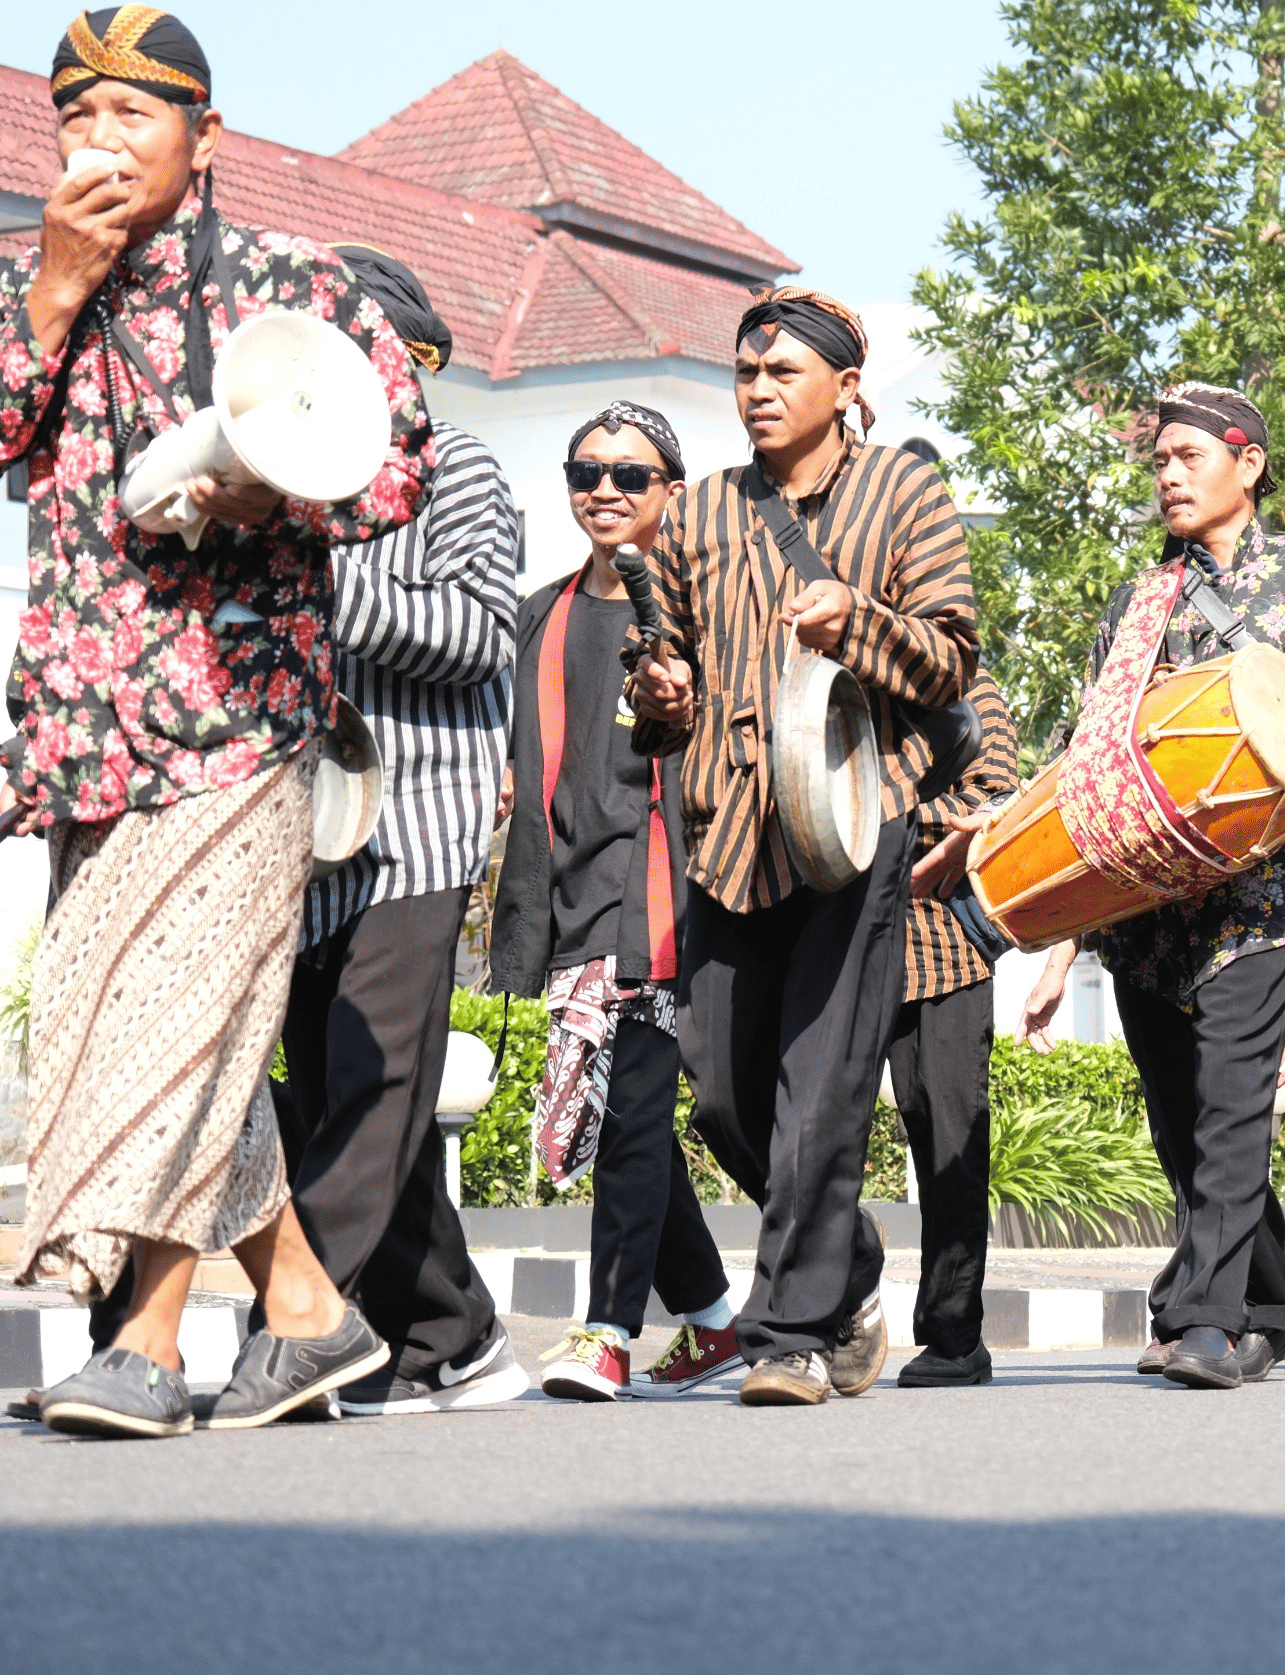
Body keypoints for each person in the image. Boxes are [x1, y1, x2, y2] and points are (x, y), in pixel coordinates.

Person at [2, 7, 432, 1437]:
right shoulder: (34, 282)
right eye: (79, 119)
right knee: (160, 1015)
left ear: (206, 135)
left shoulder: (286, 285)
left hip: (241, 720)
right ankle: (307, 1315)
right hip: (87, 729)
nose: (101, 145)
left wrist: (277, 490)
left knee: (168, 1018)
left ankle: (154, 1343)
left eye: (134, 116)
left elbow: (394, 469)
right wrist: (55, 287)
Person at [1021, 381, 1285, 1391]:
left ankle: (1200, 1315)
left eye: (1188, 455)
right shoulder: (1135, 603)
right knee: (1179, 1117)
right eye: (1158, 459)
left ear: (1248, 463)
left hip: (1262, 902)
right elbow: (1092, 764)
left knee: (1231, 1109)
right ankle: (1273, 1303)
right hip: (1146, 908)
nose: (1167, 473)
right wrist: (1062, 937)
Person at [627, 288, 978, 1407]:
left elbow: (951, 661)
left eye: (783, 374)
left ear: (846, 388)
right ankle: (850, 1267)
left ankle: (785, 1334)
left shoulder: (904, 490)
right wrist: (659, 693)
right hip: (729, 832)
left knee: (821, 1090)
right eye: (745, 374)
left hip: (855, 826)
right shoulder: (694, 514)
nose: (760, 391)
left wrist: (856, 627)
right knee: (725, 1095)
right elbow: (657, 683)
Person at [276, 244, 525, 1417]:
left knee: (373, 1097)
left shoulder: (463, 469)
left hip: (420, 830)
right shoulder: (293, 486)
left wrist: (331, 590)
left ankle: (300, 1319)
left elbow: (480, 636)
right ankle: (453, 1335)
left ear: (408, 357)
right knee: (347, 1095)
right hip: (315, 844)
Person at [488, 402, 745, 1402]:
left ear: (670, 493)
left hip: (665, 894)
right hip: (570, 893)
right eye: (585, 470)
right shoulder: (538, 614)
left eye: (629, 475)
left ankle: (606, 1332)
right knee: (623, 1121)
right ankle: (718, 1322)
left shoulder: (696, 617)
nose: (603, 487)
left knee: (633, 1111)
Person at [887, 672, 1020, 1388]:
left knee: (948, 1136)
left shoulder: (976, 687)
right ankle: (831, 1296)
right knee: (806, 1125)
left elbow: (993, 795)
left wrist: (875, 821)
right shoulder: (834, 680)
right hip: (840, 943)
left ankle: (953, 1335)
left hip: (944, 948)